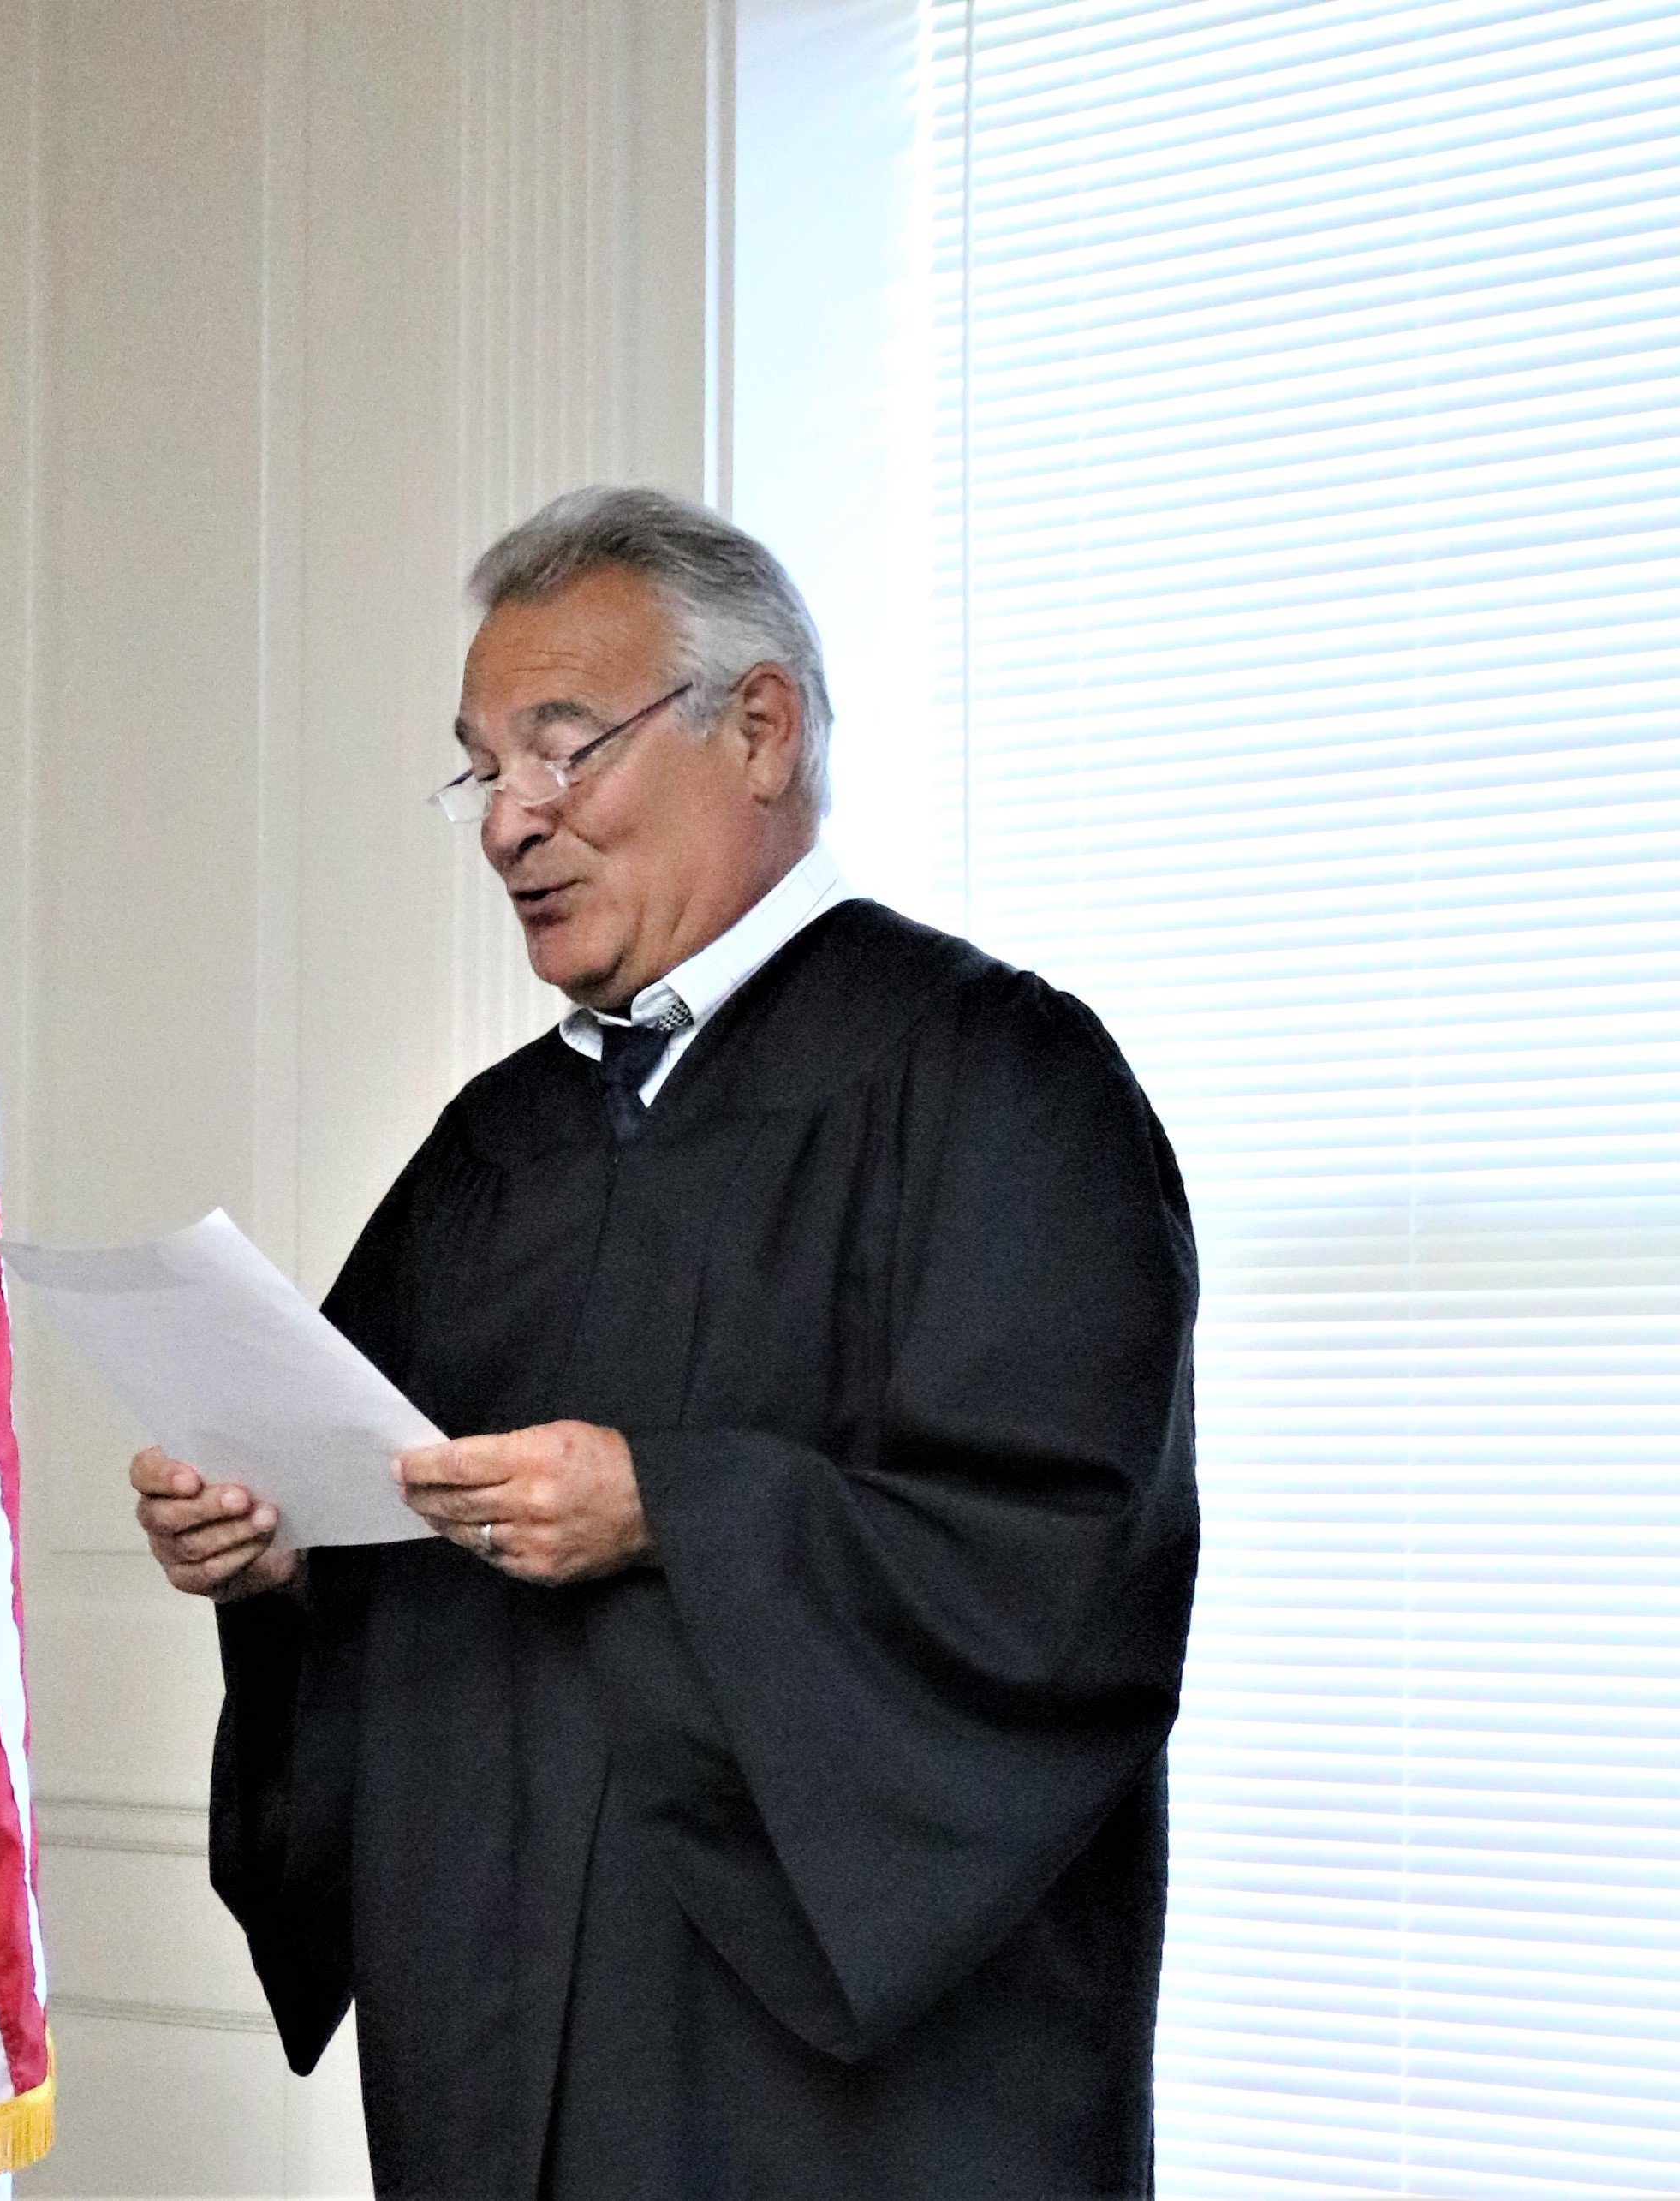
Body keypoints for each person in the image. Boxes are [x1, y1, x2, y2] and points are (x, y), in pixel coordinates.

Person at [132, 487, 1200, 2198]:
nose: (506, 822)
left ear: (758, 728)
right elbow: (384, 1533)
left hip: (833, 2112)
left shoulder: (996, 1084)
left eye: (561, 750)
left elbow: (1060, 1578)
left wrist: (669, 1508)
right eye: (481, 770)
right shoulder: (488, 1154)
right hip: (491, 2061)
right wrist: (274, 1561)